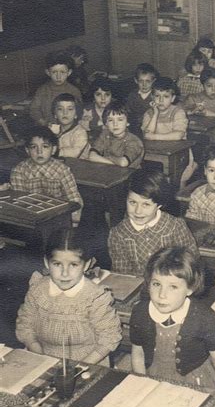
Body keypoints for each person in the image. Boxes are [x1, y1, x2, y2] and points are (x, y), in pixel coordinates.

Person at [129, 247, 215, 407]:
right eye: (156, 284)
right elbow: (138, 353)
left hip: (197, 384)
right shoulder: (140, 312)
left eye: (173, 287)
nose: (162, 295)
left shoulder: (206, 318)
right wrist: (142, 385)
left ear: (190, 289)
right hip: (154, 380)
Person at [16, 228, 122, 364]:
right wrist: (40, 356)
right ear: (46, 263)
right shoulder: (37, 290)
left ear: (86, 265)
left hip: (88, 363)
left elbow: (109, 338)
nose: (64, 273)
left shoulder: (95, 297)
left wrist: (78, 367)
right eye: (57, 264)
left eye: (73, 265)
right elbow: (25, 326)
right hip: (41, 357)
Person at [108, 170, 198, 277]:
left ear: (159, 204)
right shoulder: (118, 234)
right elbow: (122, 276)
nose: (138, 211)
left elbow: (192, 263)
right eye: (132, 202)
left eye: (146, 204)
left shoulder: (175, 227)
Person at [10, 126, 83, 226]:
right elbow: (20, 203)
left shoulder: (62, 170)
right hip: (31, 220)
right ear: (27, 150)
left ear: (53, 150)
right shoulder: (19, 171)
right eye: (33, 147)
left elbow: (74, 199)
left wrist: (73, 224)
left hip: (58, 217)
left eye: (45, 146)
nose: (39, 151)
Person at [183, 68, 215, 145]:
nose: (213, 89)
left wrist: (213, 115)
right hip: (196, 132)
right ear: (203, 85)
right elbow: (183, 113)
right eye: (209, 86)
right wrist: (192, 111)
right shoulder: (193, 98)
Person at [30, 52, 82, 126]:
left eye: (62, 72)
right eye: (54, 72)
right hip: (47, 128)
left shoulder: (74, 91)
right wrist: (43, 122)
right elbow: (34, 110)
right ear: (48, 72)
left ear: (69, 72)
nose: (58, 76)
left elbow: (79, 112)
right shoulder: (42, 90)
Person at [89, 100, 144, 169]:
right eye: (110, 120)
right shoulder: (105, 134)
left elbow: (123, 163)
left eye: (120, 119)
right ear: (106, 123)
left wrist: (104, 158)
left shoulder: (135, 141)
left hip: (131, 176)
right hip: (109, 171)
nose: (115, 124)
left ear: (128, 122)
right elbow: (92, 156)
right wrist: (114, 163)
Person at [51, 93, 89, 159]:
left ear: (76, 114)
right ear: (55, 114)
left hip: (79, 165)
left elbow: (75, 152)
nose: (65, 113)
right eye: (60, 109)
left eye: (70, 109)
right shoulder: (53, 130)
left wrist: (52, 151)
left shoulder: (80, 132)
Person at [126, 63, 159, 138]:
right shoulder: (132, 95)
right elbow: (127, 111)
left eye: (148, 81)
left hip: (150, 127)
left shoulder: (156, 96)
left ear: (153, 81)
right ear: (136, 81)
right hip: (134, 127)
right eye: (141, 81)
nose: (144, 85)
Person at [80, 77, 114, 142]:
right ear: (93, 95)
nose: (103, 98)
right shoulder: (87, 110)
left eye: (107, 94)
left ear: (112, 95)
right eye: (98, 94)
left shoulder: (115, 110)